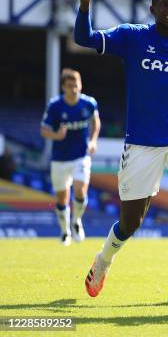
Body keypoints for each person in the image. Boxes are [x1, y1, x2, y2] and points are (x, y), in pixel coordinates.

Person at [74, 0, 168, 306]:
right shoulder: (133, 37)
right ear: (152, 9)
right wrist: (85, 3)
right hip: (141, 143)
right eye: (165, 3)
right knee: (130, 222)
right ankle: (104, 260)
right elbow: (84, 38)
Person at [40, 68, 100, 245]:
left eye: (76, 85)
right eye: (69, 86)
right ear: (63, 87)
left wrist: (93, 141)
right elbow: (43, 130)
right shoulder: (55, 105)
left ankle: (76, 221)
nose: (73, 89)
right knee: (62, 198)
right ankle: (64, 230)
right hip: (59, 159)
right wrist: (56, 135)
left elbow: (95, 122)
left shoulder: (89, 103)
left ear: (80, 85)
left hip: (81, 156)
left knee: (81, 191)